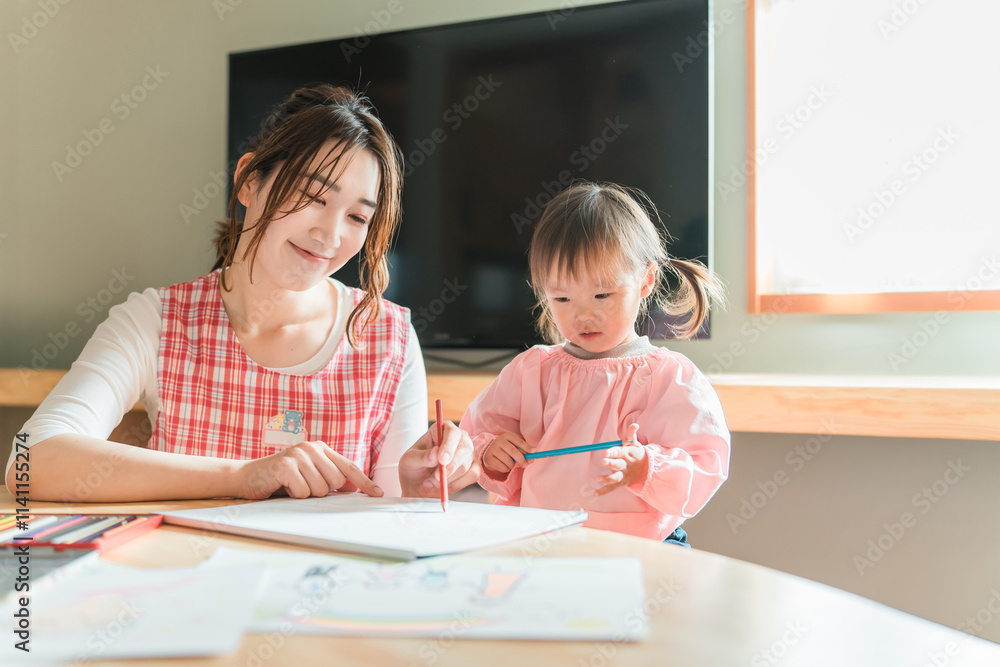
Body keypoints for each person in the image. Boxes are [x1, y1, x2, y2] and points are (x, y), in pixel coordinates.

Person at [5, 85, 479, 502]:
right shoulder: (155, 320)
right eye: (314, 196)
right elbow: (32, 463)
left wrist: (415, 491)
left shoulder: (386, 336)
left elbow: (388, 512)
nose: (330, 235)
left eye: (357, 217)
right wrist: (242, 476)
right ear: (250, 179)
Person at [460, 182, 730, 545]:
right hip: (542, 543)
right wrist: (492, 453)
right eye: (562, 297)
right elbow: (476, 438)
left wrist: (647, 468)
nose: (583, 315)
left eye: (602, 295)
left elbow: (706, 464)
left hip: (639, 547)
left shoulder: (669, 378)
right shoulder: (531, 372)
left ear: (646, 279)